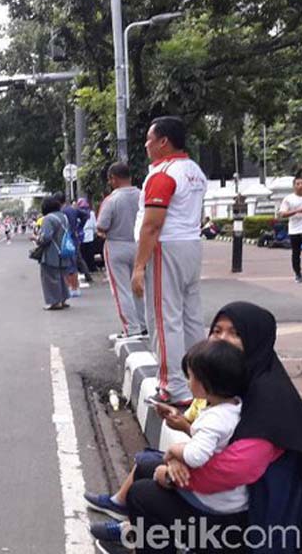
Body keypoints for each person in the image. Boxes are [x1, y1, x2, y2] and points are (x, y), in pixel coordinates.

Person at [90, 302, 302, 553]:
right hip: (232, 497)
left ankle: (143, 536)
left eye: (235, 333)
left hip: (254, 522)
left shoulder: (268, 399)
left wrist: (172, 475)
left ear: (256, 340)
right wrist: (180, 443)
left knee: (143, 494)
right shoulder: (237, 382)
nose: (222, 339)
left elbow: (236, 469)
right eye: (217, 330)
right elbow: (221, 440)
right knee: (148, 464)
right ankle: (135, 534)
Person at [87, 339, 247, 543]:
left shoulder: (215, 419)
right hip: (223, 495)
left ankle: (138, 534)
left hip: (212, 503)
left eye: (190, 377)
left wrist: (173, 451)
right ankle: (128, 525)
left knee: (141, 492)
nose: (187, 382)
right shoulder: (234, 407)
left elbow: (195, 456)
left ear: (207, 384)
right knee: (147, 463)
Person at [132, 116, 209, 406]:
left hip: (166, 247)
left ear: (164, 141)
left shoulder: (163, 174)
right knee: (190, 317)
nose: (146, 144)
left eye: (150, 139)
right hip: (190, 245)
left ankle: (172, 388)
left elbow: (152, 225)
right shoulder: (195, 172)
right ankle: (200, 383)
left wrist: (139, 267)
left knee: (165, 320)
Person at [97, 162, 146, 338]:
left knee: (122, 290)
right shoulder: (142, 195)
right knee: (140, 287)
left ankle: (131, 329)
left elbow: (102, 226)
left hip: (116, 246)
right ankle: (144, 324)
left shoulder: (111, 200)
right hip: (140, 246)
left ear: (113, 179)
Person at [33, 197, 71, 311]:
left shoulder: (48, 219)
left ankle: (55, 302)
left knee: (50, 277)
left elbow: (46, 237)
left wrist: (36, 238)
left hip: (52, 252)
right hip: (64, 250)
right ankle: (63, 299)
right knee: (62, 276)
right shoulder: (64, 217)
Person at [59, 194, 89, 295]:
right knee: (73, 262)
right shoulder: (72, 210)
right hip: (73, 238)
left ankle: (70, 287)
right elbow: (86, 215)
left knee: (66, 263)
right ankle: (75, 287)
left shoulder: (60, 212)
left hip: (63, 239)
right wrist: (79, 227)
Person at [278, 174, 302, 283]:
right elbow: (282, 214)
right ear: (294, 186)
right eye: (298, 184)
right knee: (296, 253)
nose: (300, 186)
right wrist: (297, 211)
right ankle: (298, 273)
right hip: (294, 230)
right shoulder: (288, 199)